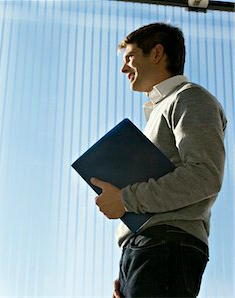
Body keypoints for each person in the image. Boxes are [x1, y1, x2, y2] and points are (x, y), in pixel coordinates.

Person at [91, 23, 227, 297]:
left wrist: (125, 199)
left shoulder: (190, 98)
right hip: (146, 249)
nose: (123, 68)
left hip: (166, 246)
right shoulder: (160, 111)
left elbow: (204, 175)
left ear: (156, 53)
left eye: (129, 57)